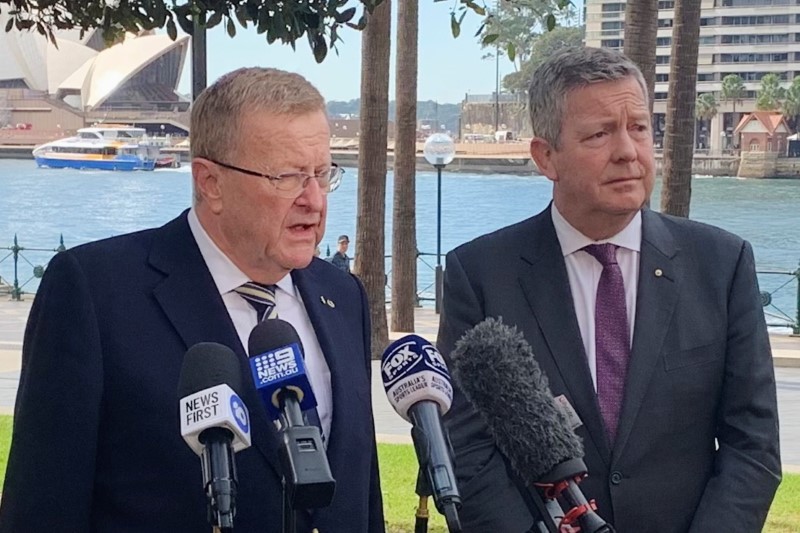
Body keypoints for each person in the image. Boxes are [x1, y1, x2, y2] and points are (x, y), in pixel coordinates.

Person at [0, 68, 384, 532]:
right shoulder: (95, 293)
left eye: (322, 174)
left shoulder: (341, 295)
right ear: (210, 183)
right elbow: (42, 505)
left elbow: (362, 495)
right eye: (287, 177)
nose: (315, 200)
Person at [437, 47, 781, 533]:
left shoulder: (722, 265)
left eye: (639, 127)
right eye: (600, 133)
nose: (628, 150)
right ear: (546, 157)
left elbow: (754, 445)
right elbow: (467, 449)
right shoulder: (480, 274)